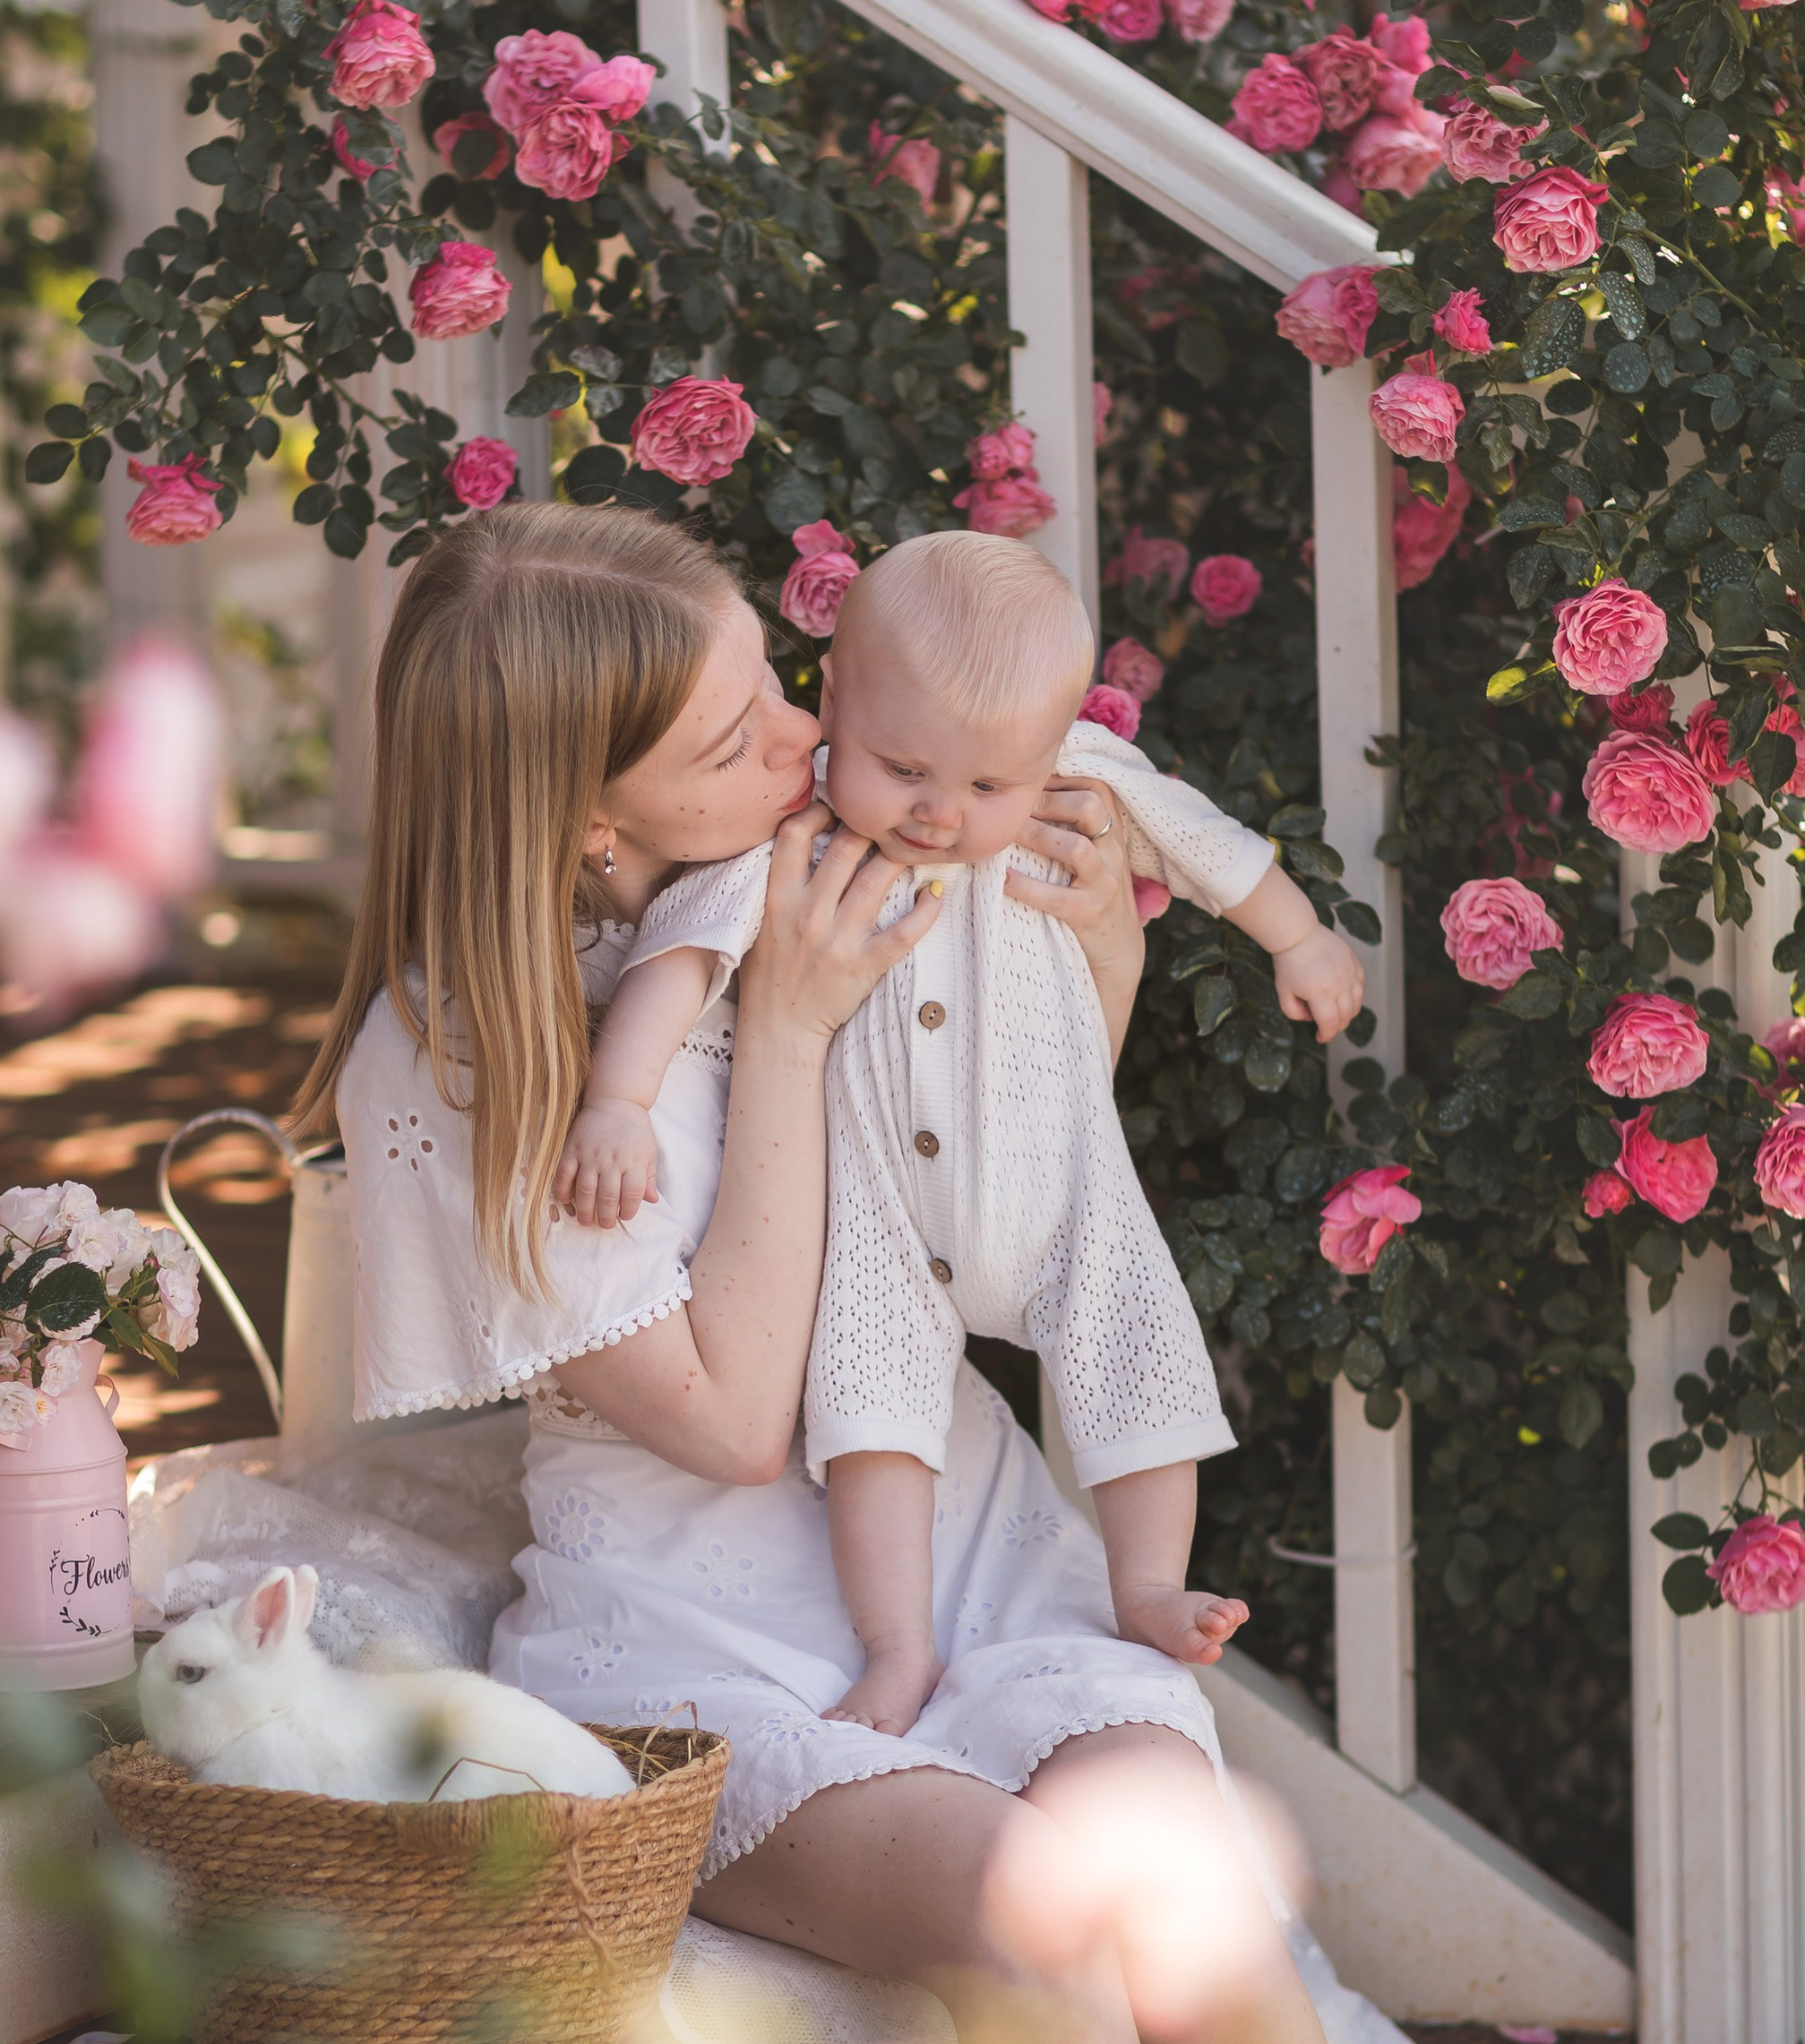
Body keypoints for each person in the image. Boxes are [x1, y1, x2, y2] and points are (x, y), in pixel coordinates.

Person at [294, 503, 1538, 2044]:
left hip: (955, 1532)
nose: (803, 735)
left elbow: (999, 1197)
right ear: (584, 817)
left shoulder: (818, 865)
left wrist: (1085, 978)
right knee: (1035, 1914)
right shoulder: (453, 1051)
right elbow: (744, 1411)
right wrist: (789, 1032)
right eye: (737, 727)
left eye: (779, 681)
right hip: (708, 1630)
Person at [550, 530, 1362, 1735]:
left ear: (1050, 749)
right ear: (837, 700)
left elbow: (1205, 846)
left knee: (1133, 1348)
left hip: (1065, 1184)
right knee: (870, 1413)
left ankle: (1142, 1583)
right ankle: (900, 1647)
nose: (939, 812)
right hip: (883, 1215)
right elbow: (680, 960)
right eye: (904, 767)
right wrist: (615, 1100)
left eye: (990, 786)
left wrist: (1297, 936)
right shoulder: (802, 842)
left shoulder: (1069, 784)